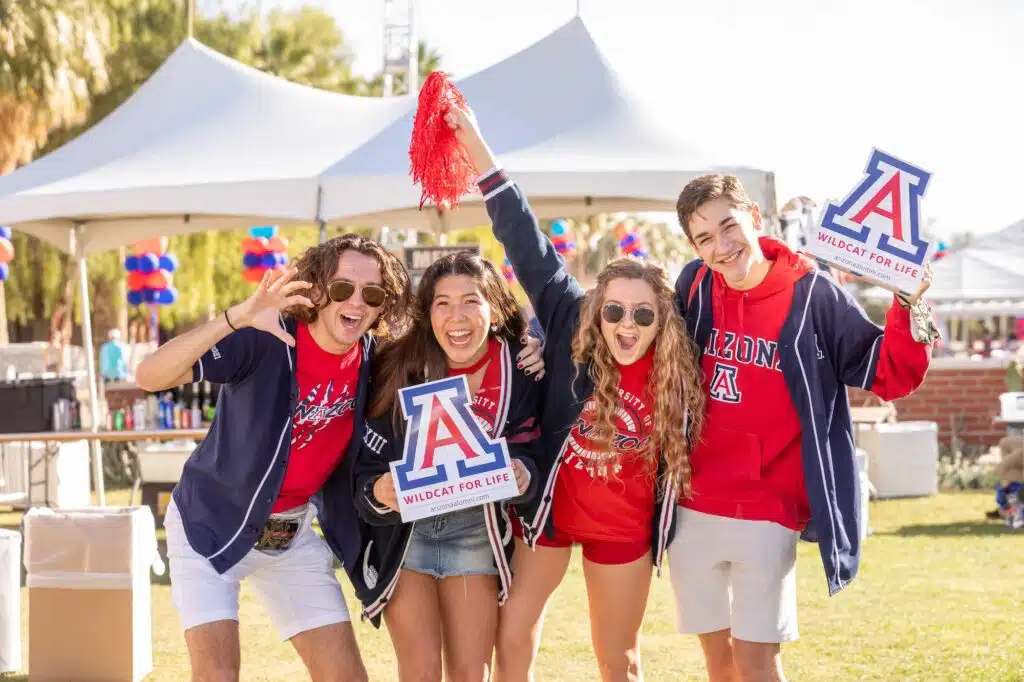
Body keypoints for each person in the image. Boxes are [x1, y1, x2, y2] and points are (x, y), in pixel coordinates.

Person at [443, 105, 706, 682]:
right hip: (550, 513)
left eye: (642, 313)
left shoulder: (681, 364)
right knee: (512, 634)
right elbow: (521, 235)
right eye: (613, 310)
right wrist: (477, 143)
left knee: (619, 659)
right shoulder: (567, 320)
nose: (626, 325)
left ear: (663, 318)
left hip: (623, 529)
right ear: (596, 310)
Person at [670, 173, 938, 682]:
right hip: (692, 505)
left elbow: (888, 372)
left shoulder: (812, 293)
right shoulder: (694, 287)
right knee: (718, 662)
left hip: (769, 508)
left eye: (729, 226)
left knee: (757, 661)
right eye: (704, 238)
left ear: (754, 217)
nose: (722, 246)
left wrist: (909, 304)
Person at [352, 251, 543, 682]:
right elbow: (364, 468)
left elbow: (538, 450)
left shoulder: (522, 368)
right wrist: (380, 491)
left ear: (494, 307)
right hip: (407, 535)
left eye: (471, 300)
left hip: (476, 533)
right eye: (442, 302)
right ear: (428, 313)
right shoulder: (398, 365)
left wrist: (523, 474)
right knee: (418, 672)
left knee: (469, 673)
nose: (456, 315)